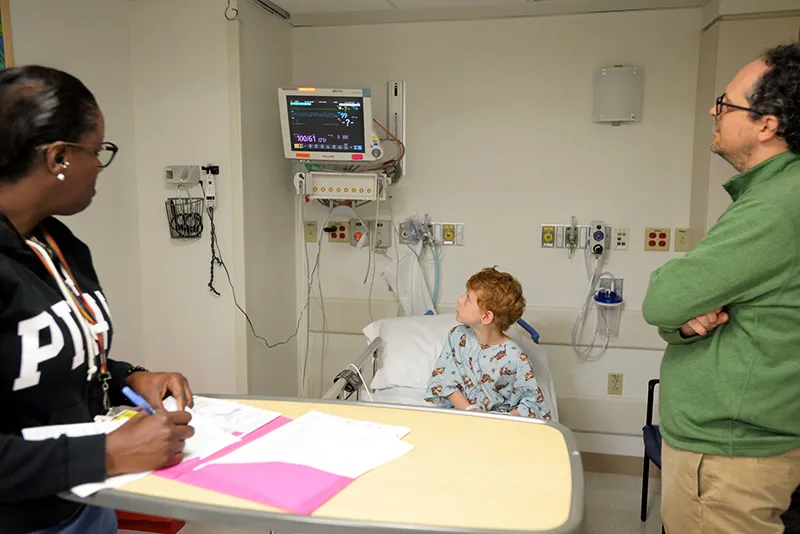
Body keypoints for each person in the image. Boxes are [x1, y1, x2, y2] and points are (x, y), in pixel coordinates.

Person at [0, 65, 196, 534]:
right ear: (58, 158)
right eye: (98, 150)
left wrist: (131, 378)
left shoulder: (58, 244)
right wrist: (108, 453)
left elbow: (44, 364)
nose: (101, 166)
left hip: (86, 501)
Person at [642, 42, 800, 534]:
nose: (714, 111)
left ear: (766, 123)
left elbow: (662, 299)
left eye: (726, 104)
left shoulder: (776, 207)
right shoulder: (770, 196)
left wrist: (676, 309)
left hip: (728, 454)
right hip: (732, 443)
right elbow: (679, 312)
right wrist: (683, 324)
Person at [425, 267, 551, 419]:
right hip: (460, 414)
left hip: (498, 424)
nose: (459, 299)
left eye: (467, 298)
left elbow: (534, 405)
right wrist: (469, 409)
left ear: (486, 317)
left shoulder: (515, 358)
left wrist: (498, 420)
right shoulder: (458, 337)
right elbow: (443, 380)